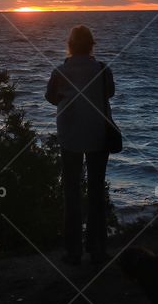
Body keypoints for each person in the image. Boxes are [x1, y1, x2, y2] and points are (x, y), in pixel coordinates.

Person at [45, 25, 114, 265]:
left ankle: (73, 251)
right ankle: (97, 249)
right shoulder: (103, 70)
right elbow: (110, 94)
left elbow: (50, 98)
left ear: (70, 46)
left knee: (71, 193)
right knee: (96, 193)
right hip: (98, 135)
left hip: (69, 136)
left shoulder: (60, 72)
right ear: (92, 45)